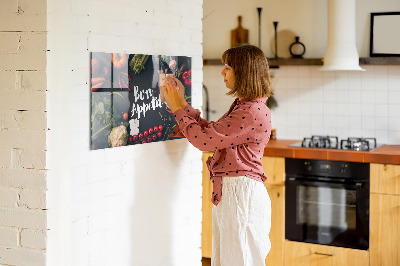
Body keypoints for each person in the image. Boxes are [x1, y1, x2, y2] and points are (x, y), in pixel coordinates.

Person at [161, 44, 273, 266]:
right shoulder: (246, 106)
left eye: (228, 67)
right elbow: (212, 133)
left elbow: (204, 141)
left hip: (241, 195)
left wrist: (177, 109)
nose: (222, 72)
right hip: (236, 193)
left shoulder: (250, 111)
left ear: (244, 72)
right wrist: (182, 104)